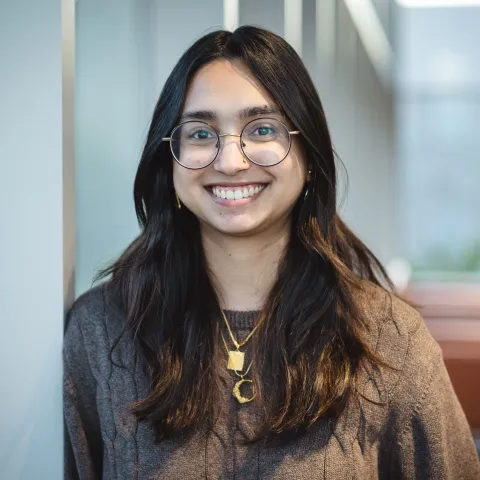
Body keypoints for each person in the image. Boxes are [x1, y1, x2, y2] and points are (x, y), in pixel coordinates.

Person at [64, 26, 480, 479]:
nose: (230, 161)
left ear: (307, 150)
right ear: (170, 158)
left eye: (261, 129)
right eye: (201, 133)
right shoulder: (101, 332)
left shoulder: (388, 338)